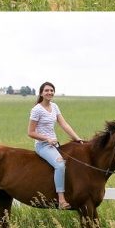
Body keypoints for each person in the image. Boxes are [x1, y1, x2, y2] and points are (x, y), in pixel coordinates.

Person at [28, 81, 84, 209]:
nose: (49, 92)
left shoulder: (54, 106)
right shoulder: (36, 110)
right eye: (47, 90)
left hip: (54, 145)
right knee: (59, 165)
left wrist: (76, 138)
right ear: (41, 93)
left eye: (51, 90)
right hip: (42, 146)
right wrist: (46, 139)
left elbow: (64, 124)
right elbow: (30, 132)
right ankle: (61, 200)